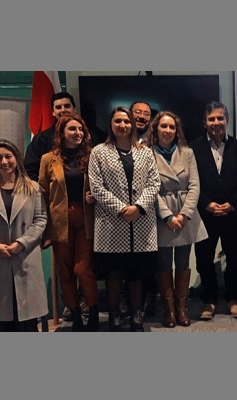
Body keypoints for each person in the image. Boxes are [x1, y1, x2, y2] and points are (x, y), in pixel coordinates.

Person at [88, 107, 160, 332]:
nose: (123, 125)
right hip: (112, 224)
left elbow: (154, 183)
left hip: (140, 222)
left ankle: (136, 318)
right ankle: (114, 318)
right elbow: (96, 187)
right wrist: (121, 209)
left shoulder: (145, 152)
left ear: (132, 125)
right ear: (111, 124)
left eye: (126, 121)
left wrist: (138, 207)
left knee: (136, 275)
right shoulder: (99, 152)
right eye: (118, 121)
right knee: (114, 274)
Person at [0, 139, 48, 332]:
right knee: (3, 320)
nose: (4, 161)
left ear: (17, 158)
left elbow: (40, 219)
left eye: (8, 156)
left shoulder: (32, 187)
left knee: (27, 321)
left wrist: (21, 243)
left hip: (24, 255)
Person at [39, 114, 99, 332]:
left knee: (83, 269)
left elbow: (103, 185)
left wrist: (95, 196)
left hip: (86, 218)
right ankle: (76, 316)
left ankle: (92, 312)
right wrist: (44, 229)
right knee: (64, 272)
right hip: (59, 220)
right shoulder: (48, 159)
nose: (78, 133)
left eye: (81, 129)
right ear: (62, 133)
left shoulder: (93, 155)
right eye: (73, 129)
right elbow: (43, 194)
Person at [147, 111, 208, 328]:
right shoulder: (147, 154)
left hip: (185, 215)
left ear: (176, 130)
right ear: (155, 129)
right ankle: (169, 311)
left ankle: (182, 310)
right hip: (161, 216)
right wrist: (167, 216)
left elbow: (195, 186)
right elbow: (149, 190)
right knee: (163, 264)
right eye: (163, 126)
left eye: (171, 127)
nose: (167, 131)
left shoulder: (187, 153)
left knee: (183, 263)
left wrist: (183, 215)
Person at [190, 101, 237, 321]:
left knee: (234, 258)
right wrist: (206, 203)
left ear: (227, 120)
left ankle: (234, 299)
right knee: (204, 259)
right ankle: (209, 300)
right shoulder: (193, 148)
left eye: (220, 118)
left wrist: (232, 203)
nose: (216, 122)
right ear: (205, 123)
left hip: (233, 213)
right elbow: (191, 182)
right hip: (205, 213)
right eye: (211, 119)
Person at [128, 100, 158, 318]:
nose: (141, 117)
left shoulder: (155, 143)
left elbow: (155, 181)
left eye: (146, 114)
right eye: (137, 112)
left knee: (149, 261)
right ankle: (127, 302)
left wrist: (141, 205)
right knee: (124, 262)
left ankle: (148, 300)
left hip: (150, 210)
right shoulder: (116, 141)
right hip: (122, 213)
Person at [25, 92, 77, 181]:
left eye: (67, 106)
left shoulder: (89, 136)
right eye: (58, 107)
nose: (63, 110)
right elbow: (30, 171)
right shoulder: (41, 139)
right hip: (52, 194)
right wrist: (44, 192)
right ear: (53, 112)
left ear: (74, 109)